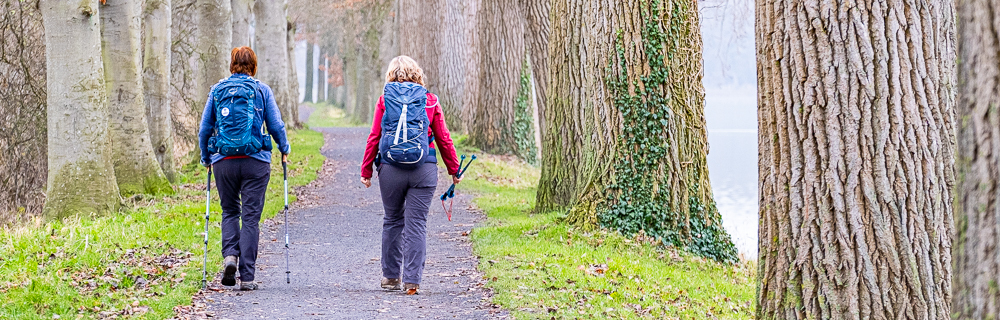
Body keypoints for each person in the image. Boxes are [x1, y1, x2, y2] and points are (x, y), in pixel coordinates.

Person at [361, 56, 461, 295]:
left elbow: (374, 137)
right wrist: (454, 169)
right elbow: (443, 138)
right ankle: (412, 282)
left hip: (390, 168)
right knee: (416, 224)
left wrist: (366, 170)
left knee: (393, 220)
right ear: (417, 74)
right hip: (423, 168)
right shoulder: (430, 101)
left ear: (390, 75)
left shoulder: (385, 100)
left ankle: (391, 278)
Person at [199, 46, 291, 291]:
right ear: (254, 66)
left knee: (229, 211)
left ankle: (230, 256)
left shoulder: (217, 90)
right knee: (250, 217)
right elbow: (275, 124)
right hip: (256, 160)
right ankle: (247, 277)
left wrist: (206, 156)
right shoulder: (262, 90)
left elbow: (204, 129)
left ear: (232, 64)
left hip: (223, 161)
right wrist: (284, 147)